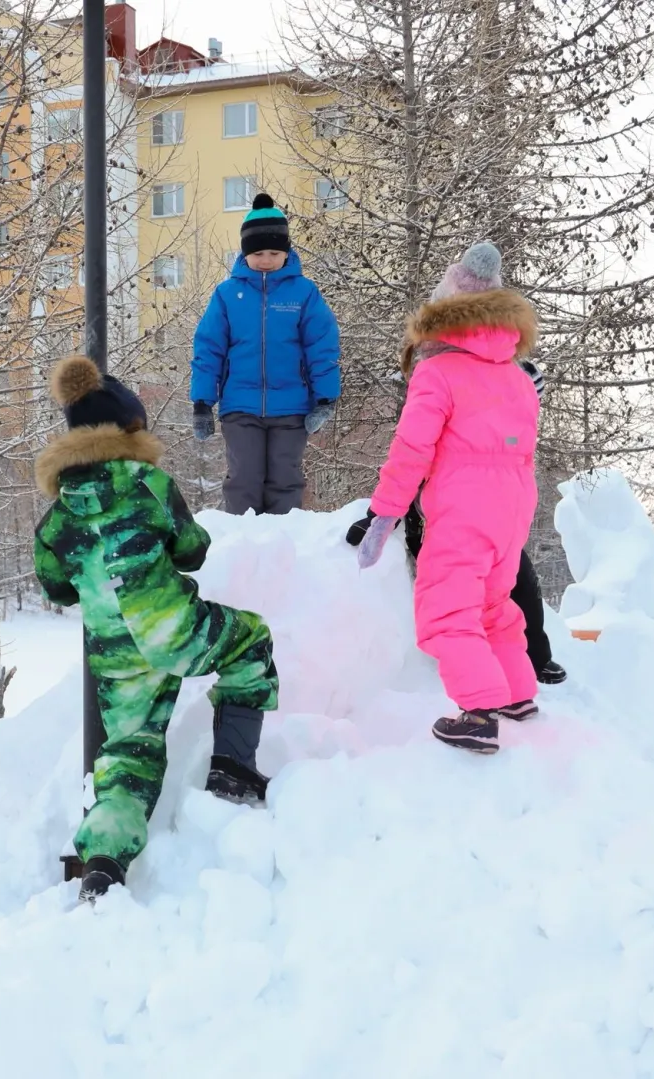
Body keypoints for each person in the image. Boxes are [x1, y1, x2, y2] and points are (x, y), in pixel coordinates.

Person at [35, 355, 280, 903]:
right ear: (127, 432)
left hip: (117, 656)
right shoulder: (148, 483)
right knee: (249, 641)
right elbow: (192, 550)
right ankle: (233, 770)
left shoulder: (56, 518)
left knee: (128, 755)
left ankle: (103, 861)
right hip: (174, 628)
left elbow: (55, 588)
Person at [353, 242, 542, 754]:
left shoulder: (437, 373)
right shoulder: (519, 378)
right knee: (493, 605)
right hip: (513, 511)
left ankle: (478, 712)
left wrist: (385, 515)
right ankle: (518, 694)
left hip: (463, 509)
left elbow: (412, 449)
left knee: (445, 609)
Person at [345, 358, 567, 687]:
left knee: (520, 578)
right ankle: (475, 685)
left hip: (492, 525)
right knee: (459, 595)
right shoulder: (457, 417)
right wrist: (378, 519)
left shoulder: (512, 438)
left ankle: (533, 660)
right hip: (441, 526)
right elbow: (410, 468)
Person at [191, 193, 341, 516]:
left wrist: (325, 398)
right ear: (245, 254)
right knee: (244, 477)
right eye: (258, 253)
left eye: (275, 252)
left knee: (285, 479)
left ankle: (281, 550)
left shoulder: (304, 293)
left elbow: (322, 344)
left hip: (291, 408)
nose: (267, 259)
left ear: (287, 252)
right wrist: (202, 402)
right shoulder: (228, 295)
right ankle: (243, 551)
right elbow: (208, 347)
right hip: (240, 406)